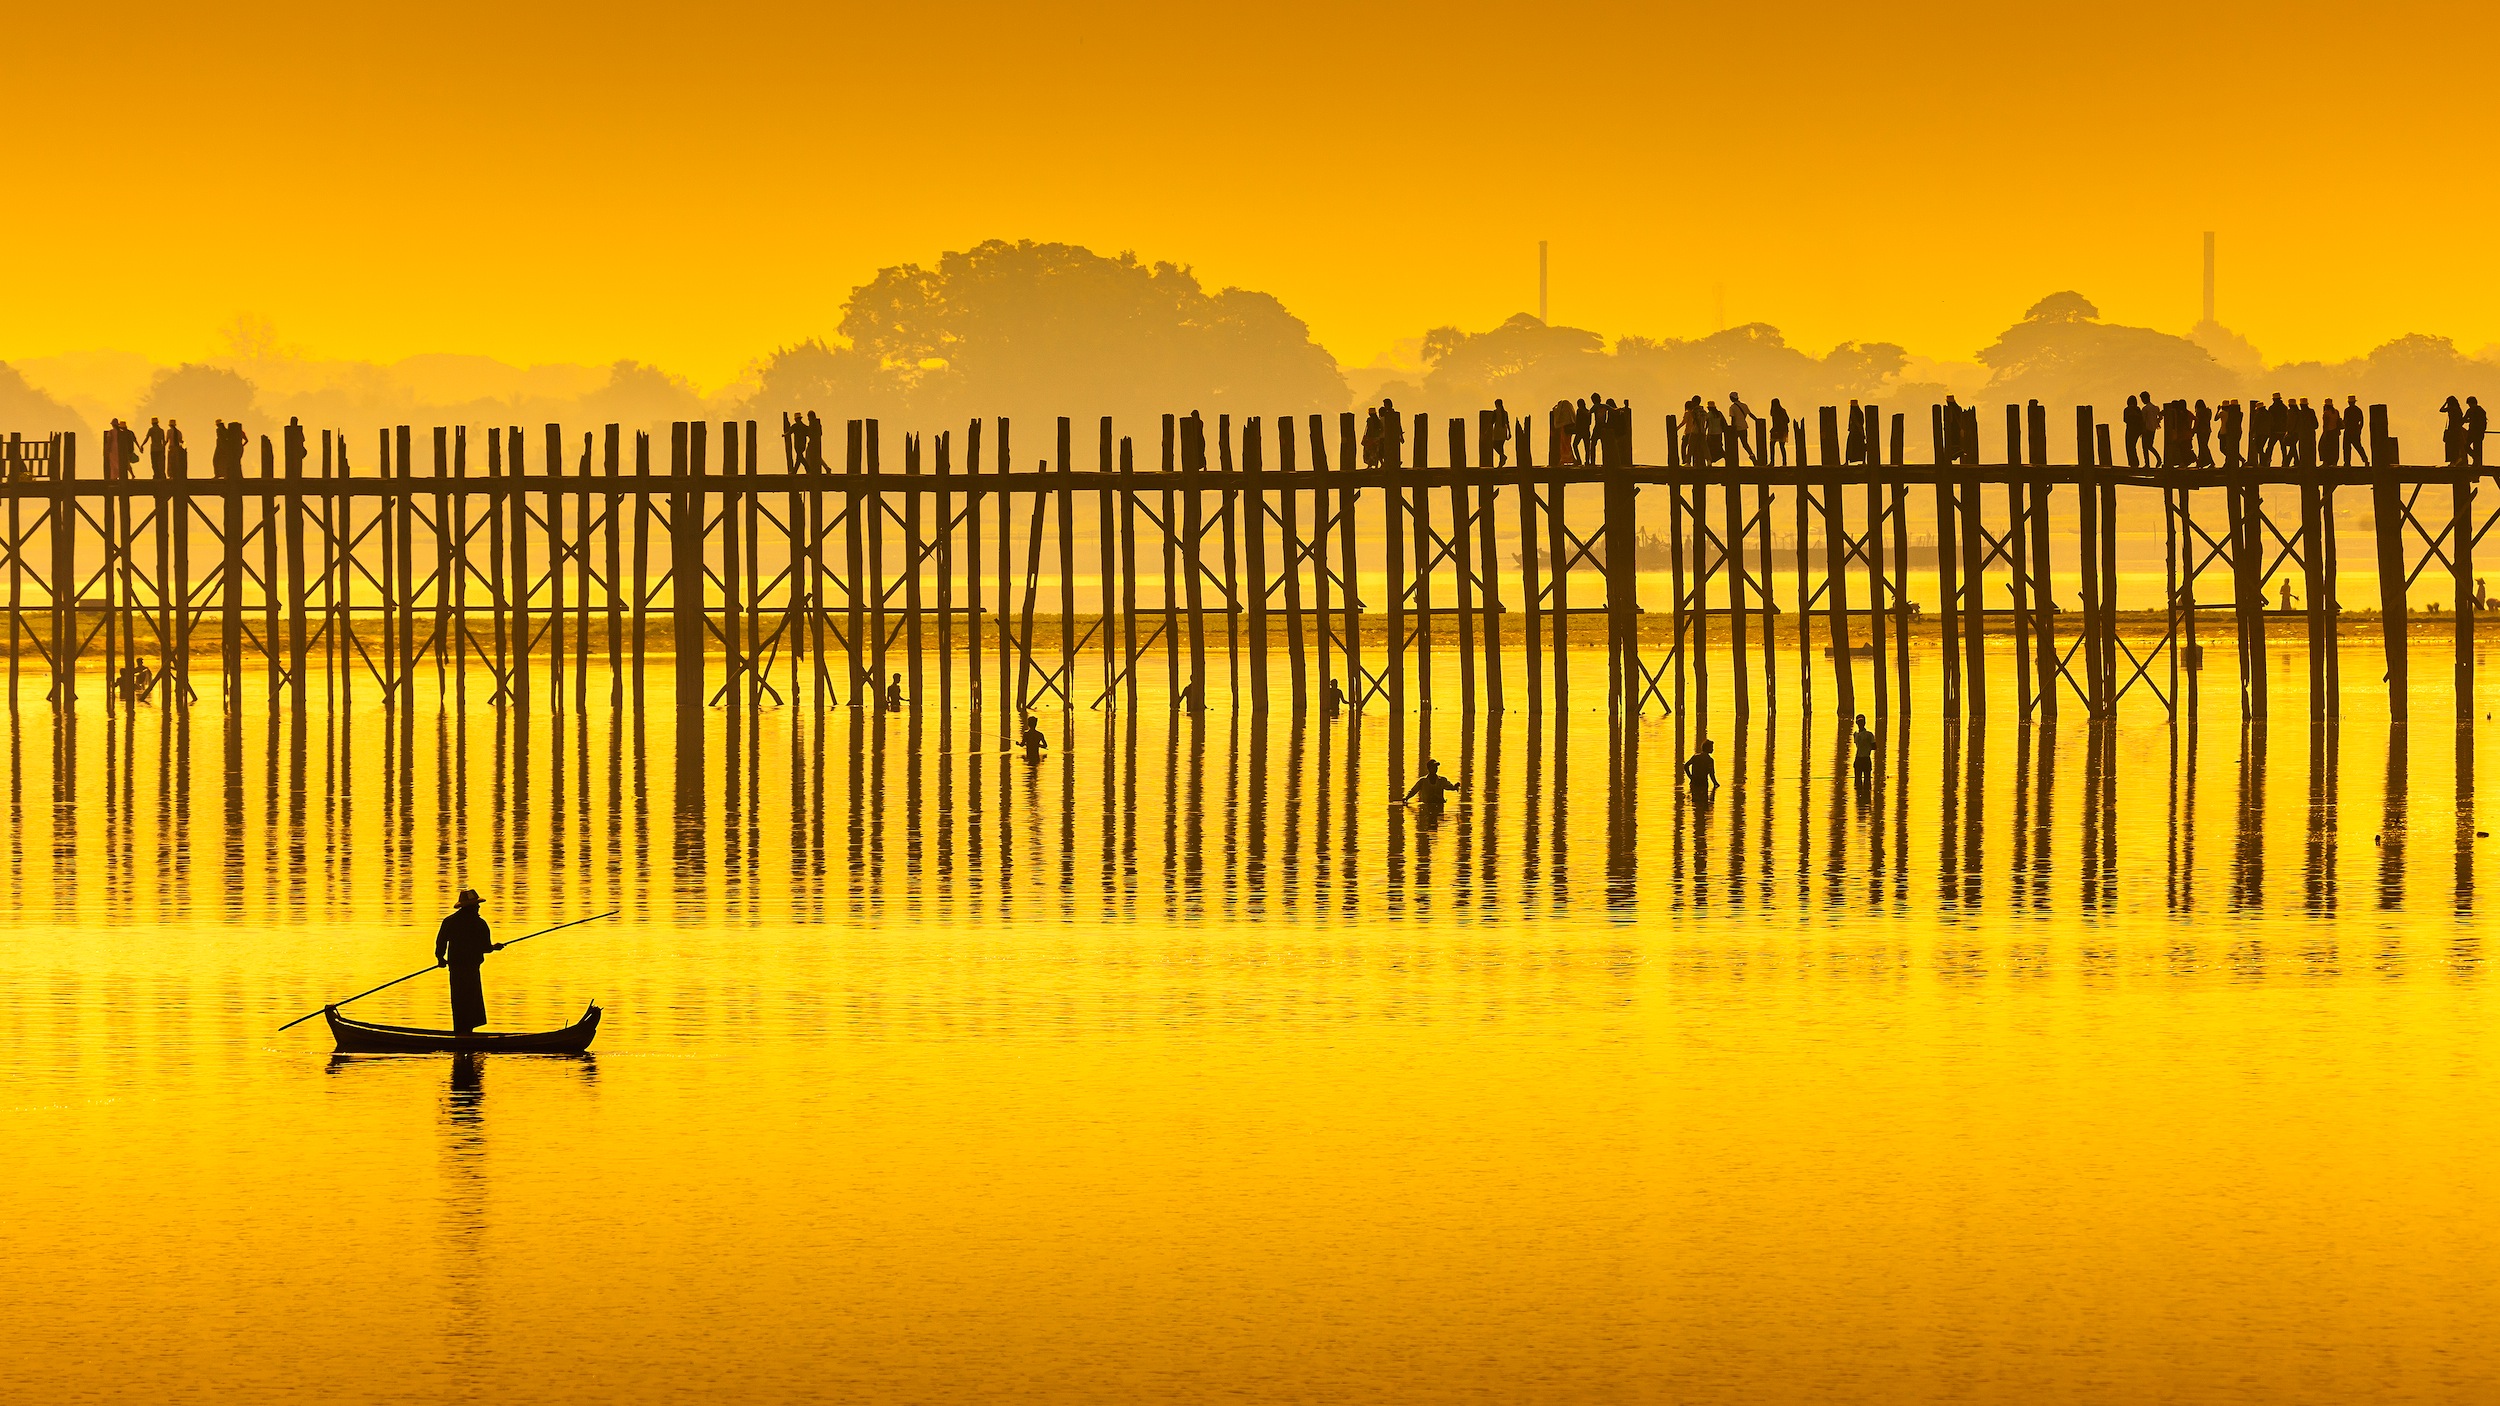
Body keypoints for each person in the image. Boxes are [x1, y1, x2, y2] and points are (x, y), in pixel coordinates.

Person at [434, 888, 503, 1036]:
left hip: (456, 969)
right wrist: (494, 947)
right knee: (471, 1001)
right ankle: (466, 1035)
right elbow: (485, 947)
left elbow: (441, 942)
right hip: (471, 969)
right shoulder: (480, 924)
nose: (478, 907)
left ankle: (461, 1033)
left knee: (459, 1001)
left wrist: (440, 958)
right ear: (470, 907)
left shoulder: (449, 921)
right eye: (476, 905)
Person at [1851, 713, 1877, 786]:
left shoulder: (1869, 734)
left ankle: (1866, 795)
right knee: (1857, 781)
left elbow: (1874, 746)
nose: (1860, 723)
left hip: (1866, 758)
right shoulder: (1855, 734)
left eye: (1862, 721)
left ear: (1865, 722)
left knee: (1867, 781)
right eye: (1859, 721)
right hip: (1858, 759)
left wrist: (1867, 748)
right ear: (1856, 723)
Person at [2442, 395, 2468, 468]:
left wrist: (2445, 403)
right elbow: (2461, 420)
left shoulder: (2451, 408)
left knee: (2450, 446)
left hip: (2451, 429)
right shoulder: (2458, 409)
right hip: (2457, 430)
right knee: (2456, 446)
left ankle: (2453, 461)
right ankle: (2456, 460)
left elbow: (2441, 409)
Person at [2218, 399, 2244, 469]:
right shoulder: (2240, 413)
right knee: (2233, 448)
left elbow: (2228, 423)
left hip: (2228, 433)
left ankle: (2230, 461)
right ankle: (2234, 460)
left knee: (2226, 449)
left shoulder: (2229, 414)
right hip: (2237, 432)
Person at [2343, 396, 2368, 466]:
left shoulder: (2347, 410)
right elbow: (2362, 421)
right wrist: (2359, 429)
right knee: (2358, 446)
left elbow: (2345, 420)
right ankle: (2365, 460)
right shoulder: (2358, 410)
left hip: (2349, 430)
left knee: (2347, 447)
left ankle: (2347, 462)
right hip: (2354, 430)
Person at [2121, 396, 2144, 469]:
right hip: (2137, 430)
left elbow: (2125, 420)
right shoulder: (2138, 410)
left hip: (2130, 430)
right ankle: (2135, 462)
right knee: (2133, 446)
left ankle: (2133, 462)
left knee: (2129, 446)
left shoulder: (2127, 409)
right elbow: (2141, 419)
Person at [1767, 398, 1791, 466]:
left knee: (1772, 445)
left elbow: (1776, 422)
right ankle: (1784, 462)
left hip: (1777, 430)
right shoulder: (1783, 410)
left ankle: (1772, 462)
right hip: (1783, 430)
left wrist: (1776, 428)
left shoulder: (1774, 412)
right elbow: (1788, 420)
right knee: (1782, 446)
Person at [1488, 400, 1511, 468]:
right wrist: (1509, 432)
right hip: (1503, 431)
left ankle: (1503, 457)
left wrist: (1487, 431)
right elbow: (1507, 423)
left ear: (1497, 404)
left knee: (1494, 445)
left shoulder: (1495, 412)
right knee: (1501, 446)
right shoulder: (1505, 412)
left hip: (1497, 431)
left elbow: (1491, 422)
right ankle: (1501, 463)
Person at [2193, 399, 2214, 467]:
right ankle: (2200, 462)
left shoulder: (2199, 412)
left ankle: (2210, 461)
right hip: (2207, 431)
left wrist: (2194, 430)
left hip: (2200, 431)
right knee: (2203, 446)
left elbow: (2198, 422)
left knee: (2203, 446)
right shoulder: (2208, 411)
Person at [2469, 396, 2488, 469]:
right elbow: (2484, 422)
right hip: (2480, 432)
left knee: (2467, 446)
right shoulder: (2482, 410)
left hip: (2473, 432)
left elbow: (2463, 419)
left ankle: (2475, 459)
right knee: (2478, 448)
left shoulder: (2471, 410)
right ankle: (2478, 463)